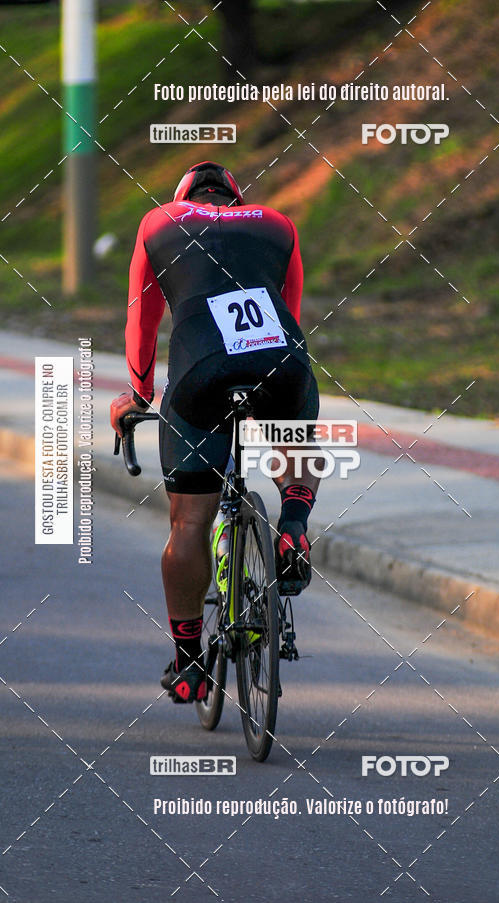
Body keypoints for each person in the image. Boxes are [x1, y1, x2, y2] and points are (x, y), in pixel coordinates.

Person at [110, 161, 320, 705]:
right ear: (235, 196)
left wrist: (137, 397)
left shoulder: (159, 223)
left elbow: (143, 319)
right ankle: (293, 522)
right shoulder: (278, 223)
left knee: (189, 523)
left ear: (184, 196)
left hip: (200, 370)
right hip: (280, 362)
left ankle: (188, 664)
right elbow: (288, 313)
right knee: (291, 428)